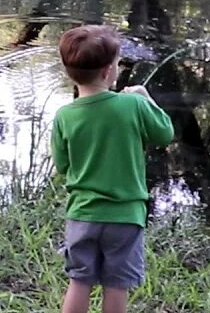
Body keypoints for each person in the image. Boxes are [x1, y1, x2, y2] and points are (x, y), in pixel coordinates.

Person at [50, 25, 175, 313]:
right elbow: (165, 133)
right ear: (108, 71)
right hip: (125, 217)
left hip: (82, 214)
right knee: (117, 284)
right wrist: (146, 97)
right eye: (118, 62)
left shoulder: (64, 116)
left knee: (79, 281)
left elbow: (62, 165)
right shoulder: (132, 104)